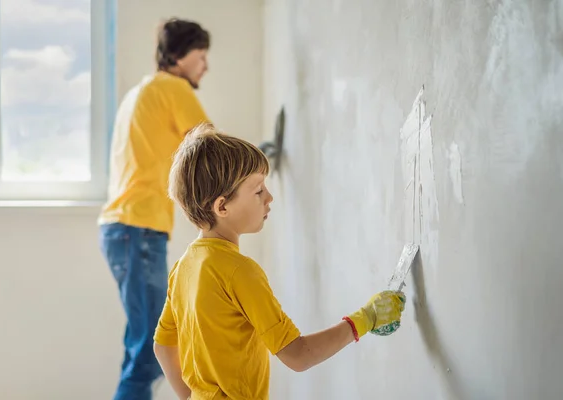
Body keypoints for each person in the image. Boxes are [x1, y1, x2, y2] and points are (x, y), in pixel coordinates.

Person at [152, 124, 407, 400]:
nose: (269, 198)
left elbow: (162, 346)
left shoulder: (183, 267)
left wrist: (190, 397)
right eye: (258, 190)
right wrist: (367, 318)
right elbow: (298, 356)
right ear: (222, 207)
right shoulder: (239, 271)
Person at [98, 18, 212, 400]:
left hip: (122, 230)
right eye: (201, 55)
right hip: (138, 230)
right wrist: (258, 162)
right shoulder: (172, 87)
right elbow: (212, 148)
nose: (205, 66)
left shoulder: (140, 92)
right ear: (179, 56)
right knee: (152, 349)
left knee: (141, 345)